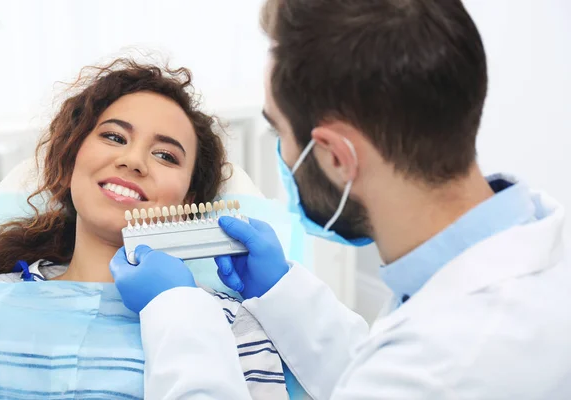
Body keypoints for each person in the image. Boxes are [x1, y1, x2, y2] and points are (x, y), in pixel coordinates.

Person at [110, 0, 571, 399]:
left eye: (280, 131)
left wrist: (176, 310)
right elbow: (368, 369)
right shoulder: (534, 245)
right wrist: (282, 293)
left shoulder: (445, 368)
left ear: (334, 155)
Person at [0, 58, 288, 399]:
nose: (133, 161)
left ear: (187, 203)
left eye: (166, 156)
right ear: (70, 157)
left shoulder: (232, 324)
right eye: (113, 136)